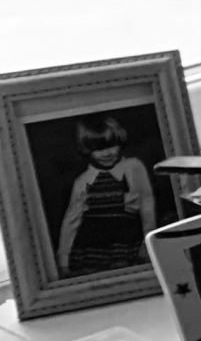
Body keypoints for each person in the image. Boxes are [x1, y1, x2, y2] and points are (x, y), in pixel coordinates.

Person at [54, 115, 156, 276]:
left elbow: (147, 205)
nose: (107, 153)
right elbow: (71, 219)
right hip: (93, 248)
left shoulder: (133, 167)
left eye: (112, 145)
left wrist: (148, 242)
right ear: (87, 149)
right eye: (98, 148)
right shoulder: (83, 181)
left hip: (128, 242)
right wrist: (63, 259)